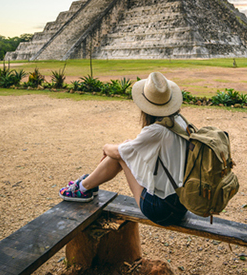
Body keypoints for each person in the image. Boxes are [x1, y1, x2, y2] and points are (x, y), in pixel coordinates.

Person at [59, 72, 189, 226]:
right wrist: (124, 146)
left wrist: (106, 147)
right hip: (181, 204)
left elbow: (119, 153)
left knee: (119, 154)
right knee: (124, 149)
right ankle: (87, 185)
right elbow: (136, 148)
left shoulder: (156, 131)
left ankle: (83, 188)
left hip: (162, 210)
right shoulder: (179, 122)